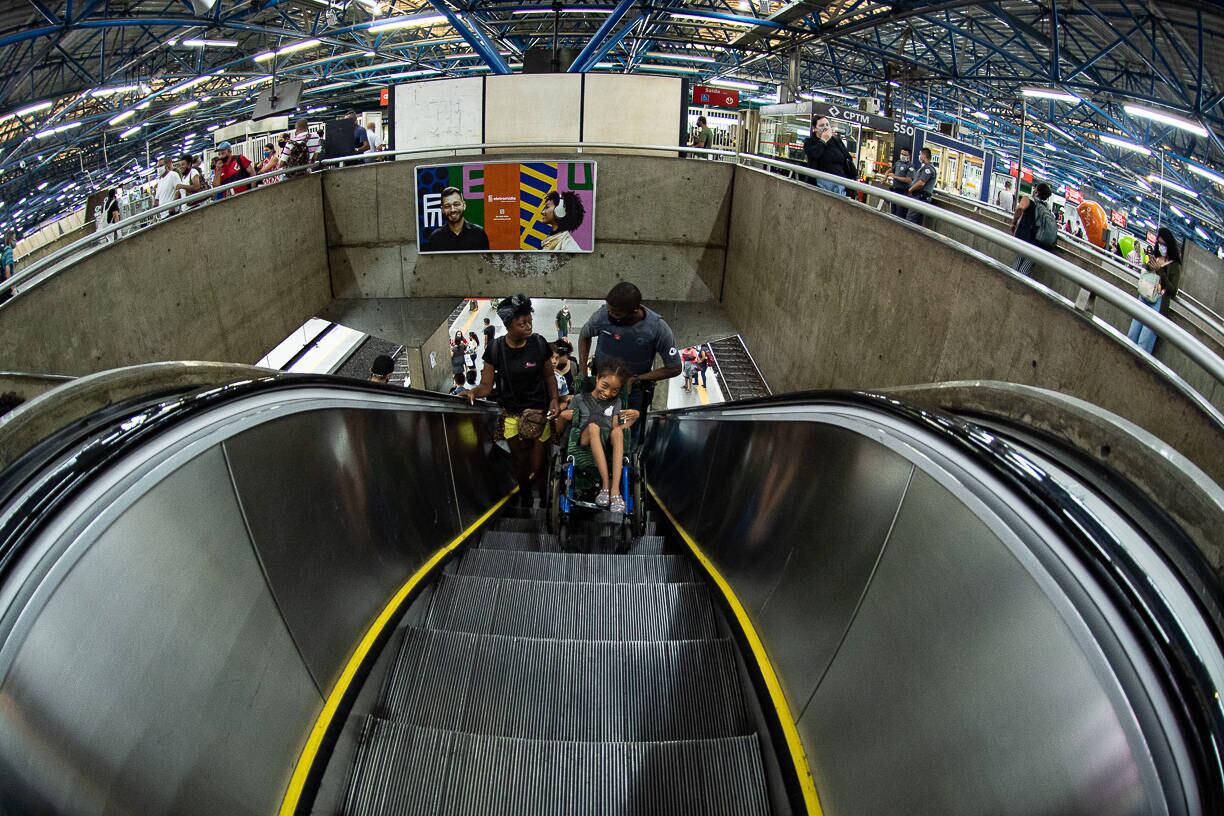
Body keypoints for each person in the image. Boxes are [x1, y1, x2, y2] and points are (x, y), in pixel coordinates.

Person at [466, 295, 559, 507]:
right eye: (522, 323)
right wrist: (473, 393)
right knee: (519, 462)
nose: (528, 326)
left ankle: (545, 502)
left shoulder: (538, 343)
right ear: (509, 325)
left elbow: (549, 376)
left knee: (538, 465)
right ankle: (525, 497)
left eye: (530, 321)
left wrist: (554, 399)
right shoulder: (496, 349)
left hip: (538, 414)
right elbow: (486, 386)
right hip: (511, 416)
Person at [578, 282, 682, 444]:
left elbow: (674, 367)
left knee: (625, 432)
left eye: (616, 313)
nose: (610, 314)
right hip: (600, 384)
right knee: (594, 423)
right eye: (609, 309)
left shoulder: (657, 328)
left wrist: (637, 378)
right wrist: (583, 373)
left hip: (632, 392)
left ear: (634, 310)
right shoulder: (602, 315)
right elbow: (584, 335)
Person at [562, 360, 636, 512]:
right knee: (594, 427)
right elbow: (566, 417)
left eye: (615, 390)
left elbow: (616, 427)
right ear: (597, 379)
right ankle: (605, 486)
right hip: (585, 437)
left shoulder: (617, 402)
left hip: (606, 440)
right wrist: (567, 413)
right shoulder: (579, 399)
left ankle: (615, 490)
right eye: (605, 386)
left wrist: (634, 417)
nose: (608, 393)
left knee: (617, 432)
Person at [1127, 226, 1182, 355]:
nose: (1161, 246)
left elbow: (1173, 291)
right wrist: (1149, 267)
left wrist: (1160, 271)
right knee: (1132, 335)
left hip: (1158, 304)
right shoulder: (1155, 257)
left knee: (1144, 343)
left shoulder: (1175, 266)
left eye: (1164, 244)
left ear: (1169, 245)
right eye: (1159, 243)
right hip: (1144, 298)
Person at [1009, 182, 1057, 277]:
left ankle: (1012, 285)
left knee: (1018, 262)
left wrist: (1013, 223)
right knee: (1026, 267)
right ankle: (1020, 286)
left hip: (1026, 237)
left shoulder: (1029, 199)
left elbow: (1020, 208)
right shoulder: (1046, 207)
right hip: (1039, 241)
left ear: (1036, 190)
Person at [423, 186, 490, 252]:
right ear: (442, 209)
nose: (452, 210)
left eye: (456, 204)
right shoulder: (435, 238)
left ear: (464, 205)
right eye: (447, 206)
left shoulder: (479, 234)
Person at [803, 116, 853, 195]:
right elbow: (814, 155)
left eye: (827, 124)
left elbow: (847, 157)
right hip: (821, 183)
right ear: (815, 128)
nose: (825, 127)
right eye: (822, 125)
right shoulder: (810, 142)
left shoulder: (836, 141)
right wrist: (823, 140)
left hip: (840, 183)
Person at [905, 147, 936, 226]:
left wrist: (910, 190)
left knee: (910, 219)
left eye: (920, 154)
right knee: (916, 221)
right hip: (919, 197)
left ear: (924, 155)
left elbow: (921, 183)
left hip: (920, 198)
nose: (919, 156)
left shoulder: (928, 168)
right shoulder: (925, 167)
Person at [885, 147, 914, 219]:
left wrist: (895, 177)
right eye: (901, 153)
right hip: (894, 190)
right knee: (892, 213)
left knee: (899, 215)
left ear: (909, 156)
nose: (902, 155)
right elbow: (890, 170)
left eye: (904, 154)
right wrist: (885, 177)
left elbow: (909, 180)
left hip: (902, 192)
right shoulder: (898, 163)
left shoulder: (910, 166)